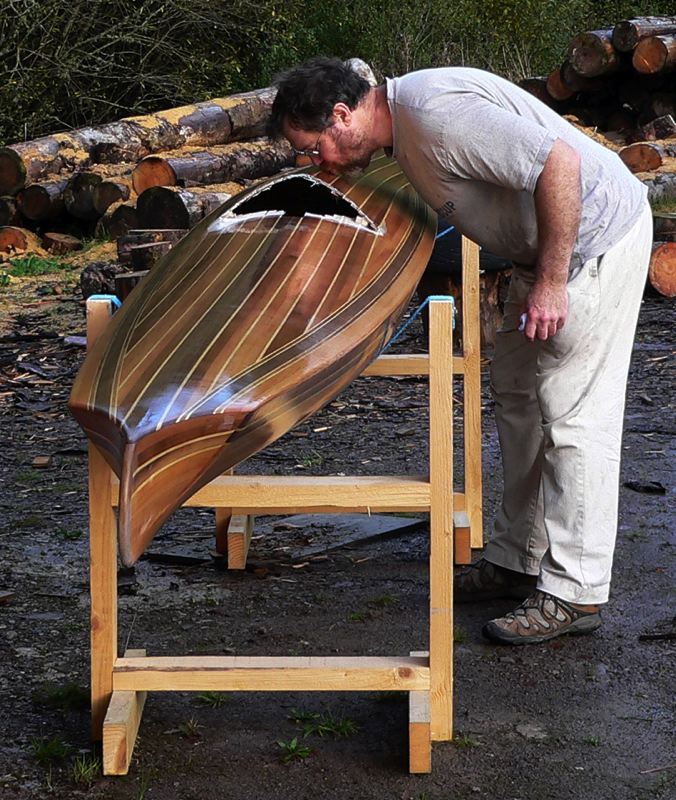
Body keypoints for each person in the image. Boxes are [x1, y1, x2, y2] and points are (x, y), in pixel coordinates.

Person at [268, 57, 653, 645]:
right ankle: (518, 558)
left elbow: (560, 163)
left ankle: (576, 589)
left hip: (593, 241)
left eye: (314, 146)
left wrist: (552, 283)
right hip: (541, 252)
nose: (317, 160)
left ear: (343, 115)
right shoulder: (399, 132)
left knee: (575, 416)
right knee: (517, 398)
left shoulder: (435, 116)